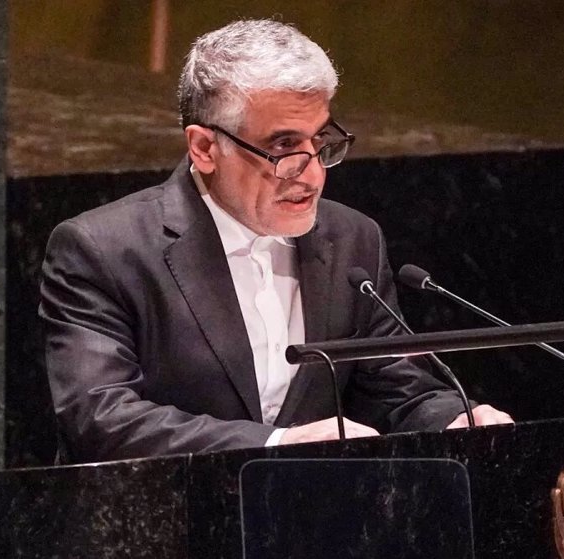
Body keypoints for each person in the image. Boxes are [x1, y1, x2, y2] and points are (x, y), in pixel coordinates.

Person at [39, 19, 512, 463]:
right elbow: (99, 417)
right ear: (205, 148)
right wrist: (276, 444)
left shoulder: (352, 240)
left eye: (321, 141)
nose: (311, 172)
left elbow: (392, 385)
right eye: (283, 147)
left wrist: (452, 418)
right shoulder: (103, 251)